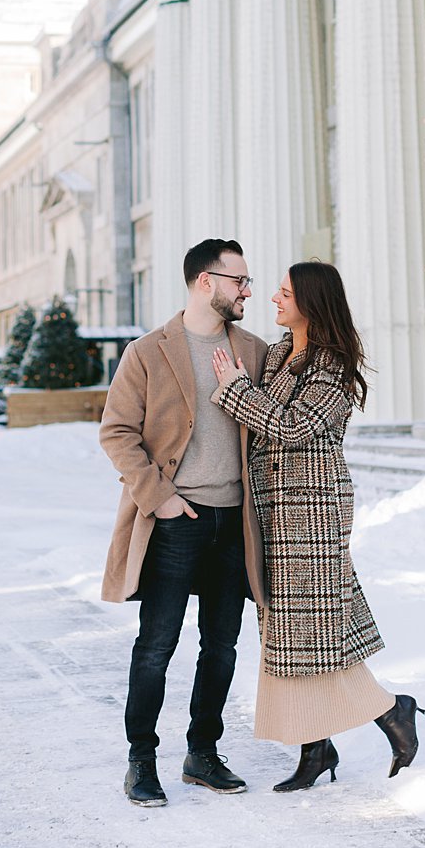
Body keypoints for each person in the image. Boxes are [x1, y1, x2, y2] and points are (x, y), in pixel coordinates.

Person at [207, 260, 421, 793]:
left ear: (310, 300)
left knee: (311, 632)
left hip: (313, 511)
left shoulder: (331, 363)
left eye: (283, 292)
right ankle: (317, 746)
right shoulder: (279, 353)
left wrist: (235, 391)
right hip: (271, 508)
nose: (272, 299)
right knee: (292, 632)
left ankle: (393, 712)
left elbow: (296, 427)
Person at [99, 237, 270, 807]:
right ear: (206, 281)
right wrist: (162, 499)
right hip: (176, 521)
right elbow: (117, 432)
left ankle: (202, 753)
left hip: (233, 522)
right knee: (157, 645)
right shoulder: (148, 352)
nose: (247, 290)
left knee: (221, 646)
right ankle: (141, 761)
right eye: (239, 280)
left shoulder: (255, 350)